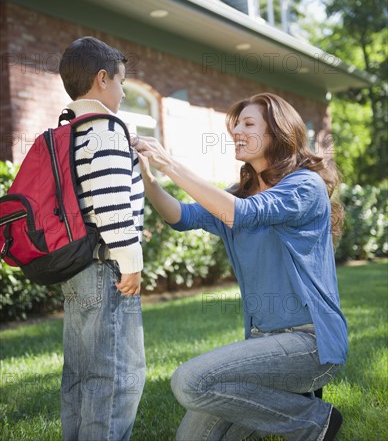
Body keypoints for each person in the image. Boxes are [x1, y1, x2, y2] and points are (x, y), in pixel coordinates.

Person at [135, 92, 347, 441]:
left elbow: (241, 213)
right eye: (236, 125)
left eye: (249, 124)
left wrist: (168, 162)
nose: (237, 131)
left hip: (310, 344)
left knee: (189, 381)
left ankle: (313, 421)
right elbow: (181, 216)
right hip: (262, 343)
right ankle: (290, 402)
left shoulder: (304, 185)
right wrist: (148, 176)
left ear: (278, 132)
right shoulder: (240, 195)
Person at [58, 36, 146, 441]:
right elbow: (112, 207)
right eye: (122, 81)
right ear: (101, 79)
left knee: (80, 374)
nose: (125, 90)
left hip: (76, 269)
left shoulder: (68, 131)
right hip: (107, 267)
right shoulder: (107, 129)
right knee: (117, 376)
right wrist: (131, 261)